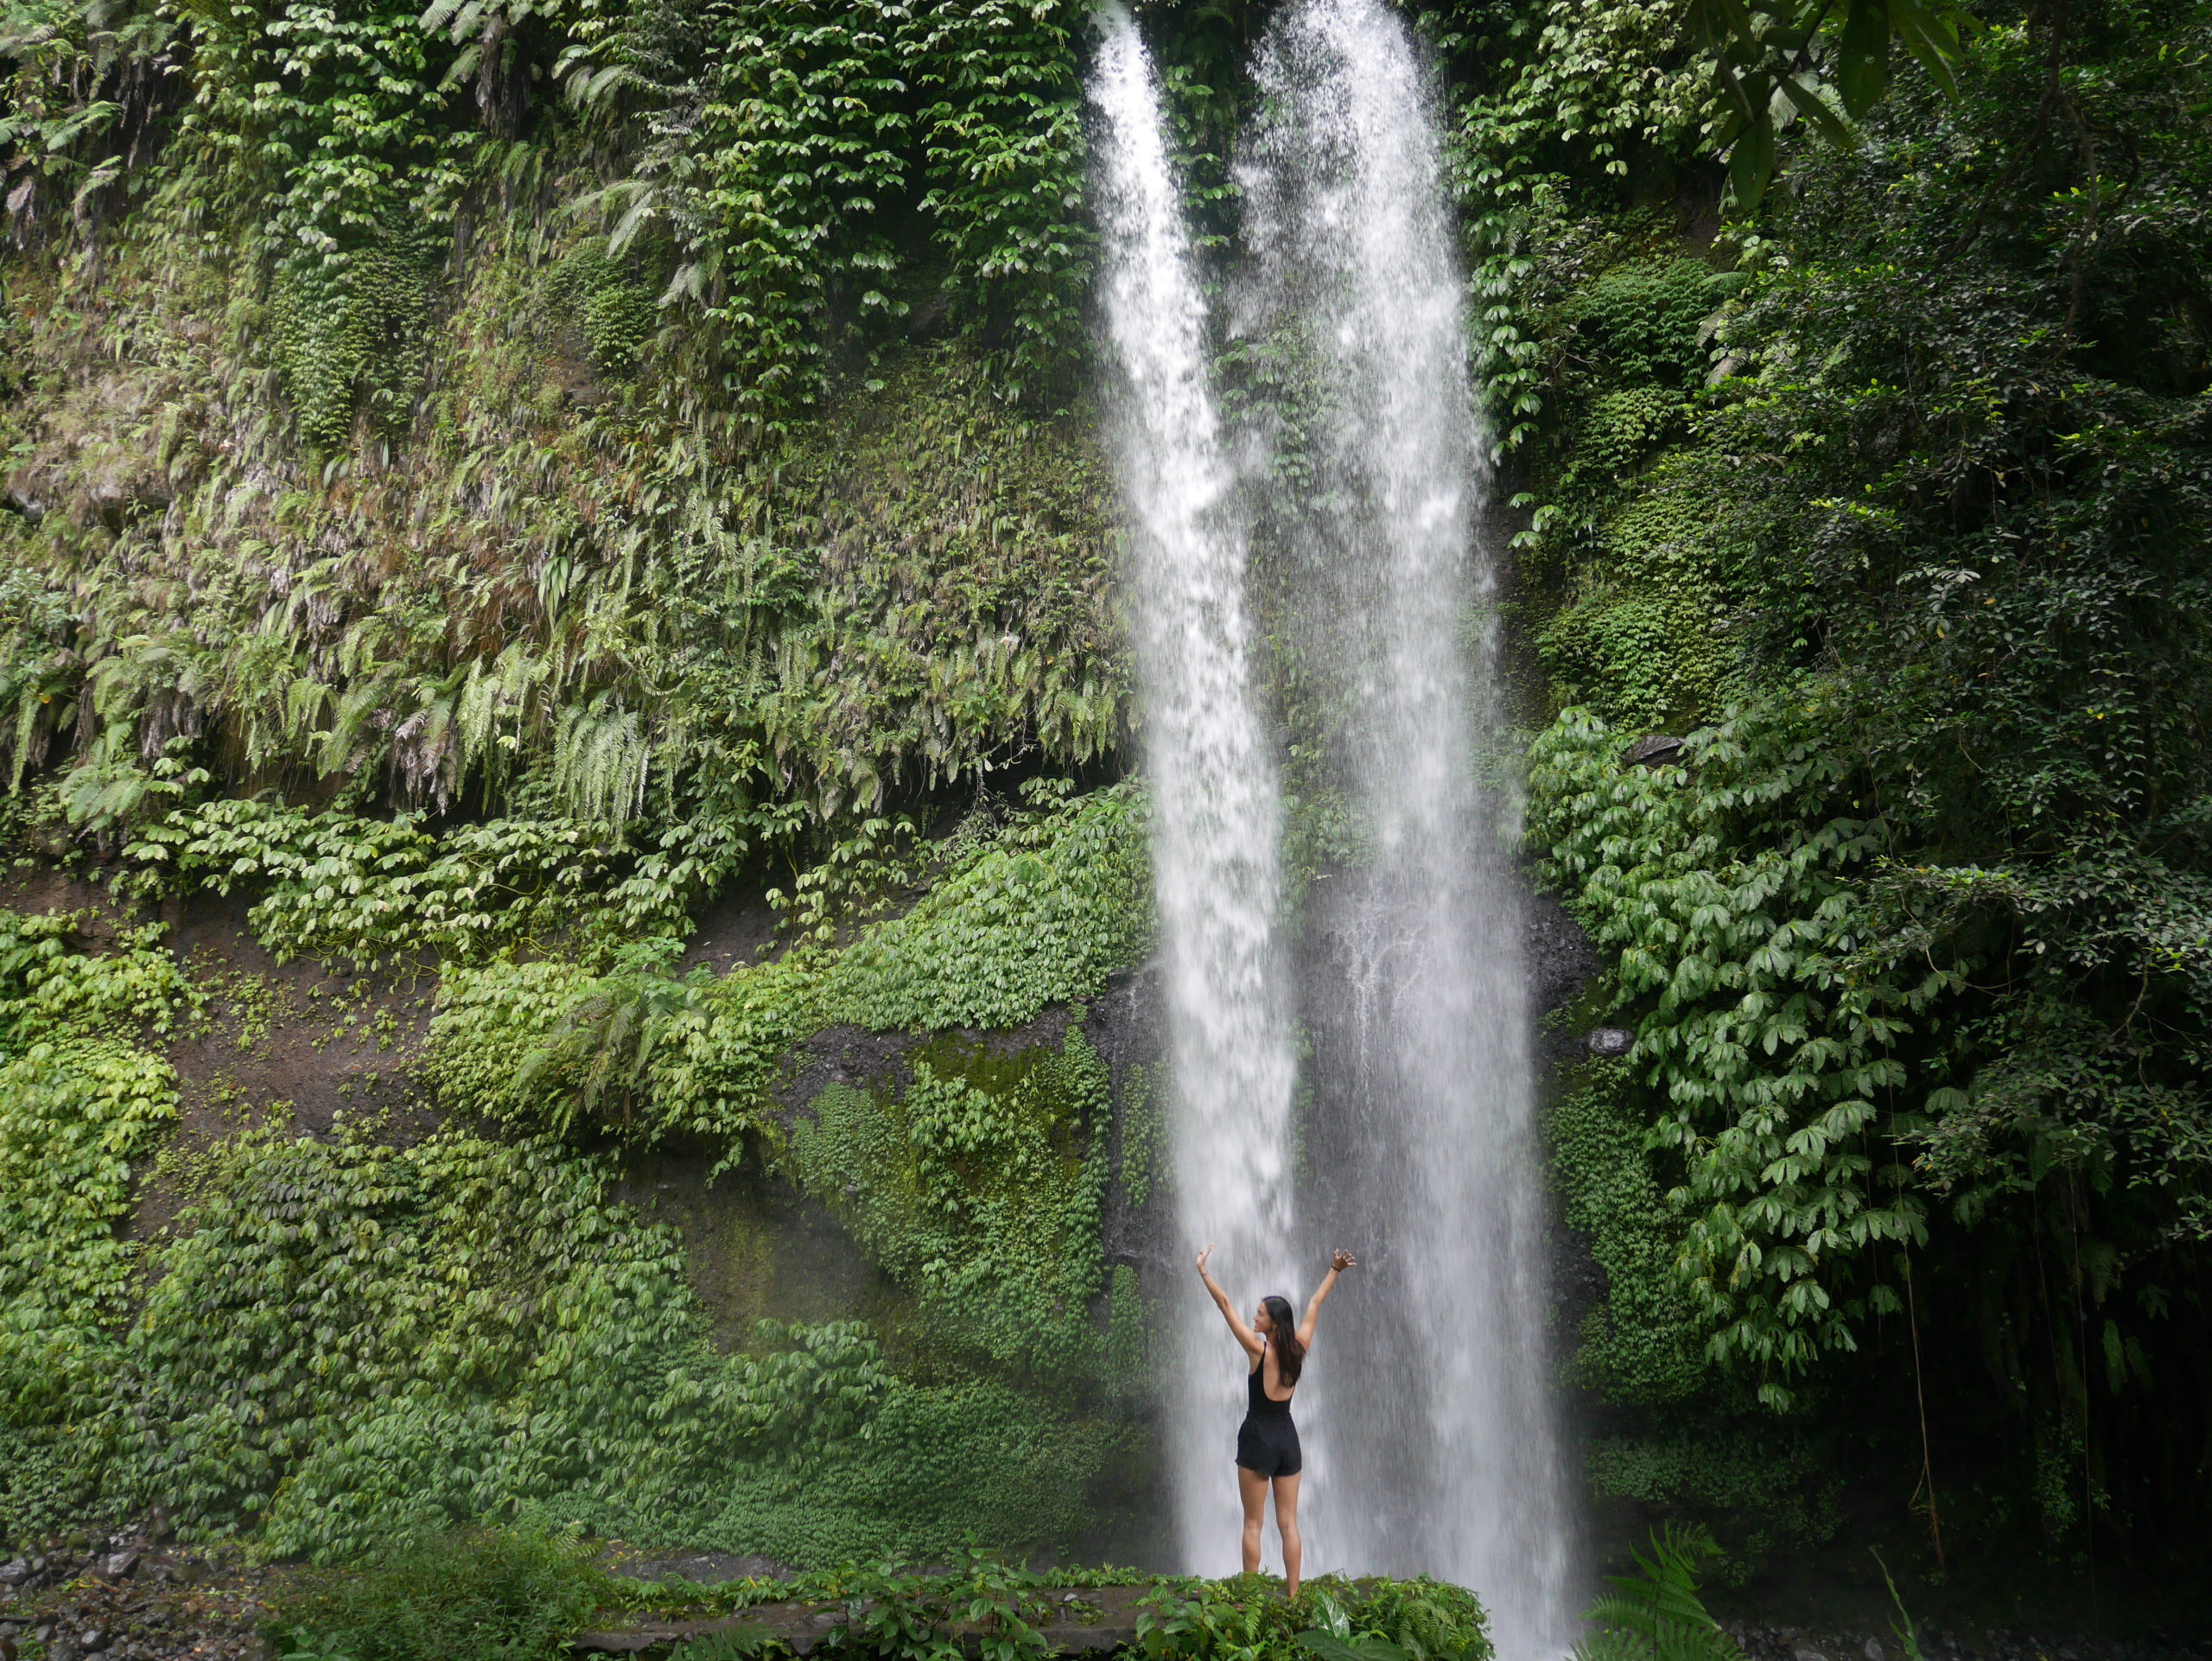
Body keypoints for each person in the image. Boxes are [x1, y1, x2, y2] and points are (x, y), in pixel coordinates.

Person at [1194, 1242, 1357, 1597]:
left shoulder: (1258, 1349)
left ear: (1271, 1323)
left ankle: (1250, 1600)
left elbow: (1224, 1306)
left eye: (1259, 1315)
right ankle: (1294, 1596)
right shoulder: (1299, 1348)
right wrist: (1335, 1270)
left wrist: (1204, 1271)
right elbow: (1314, 1304)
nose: (1254, 1318)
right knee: (1289, 1524)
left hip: (1257, 1437)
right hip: (1288, 1439)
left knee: (1253, 1523)